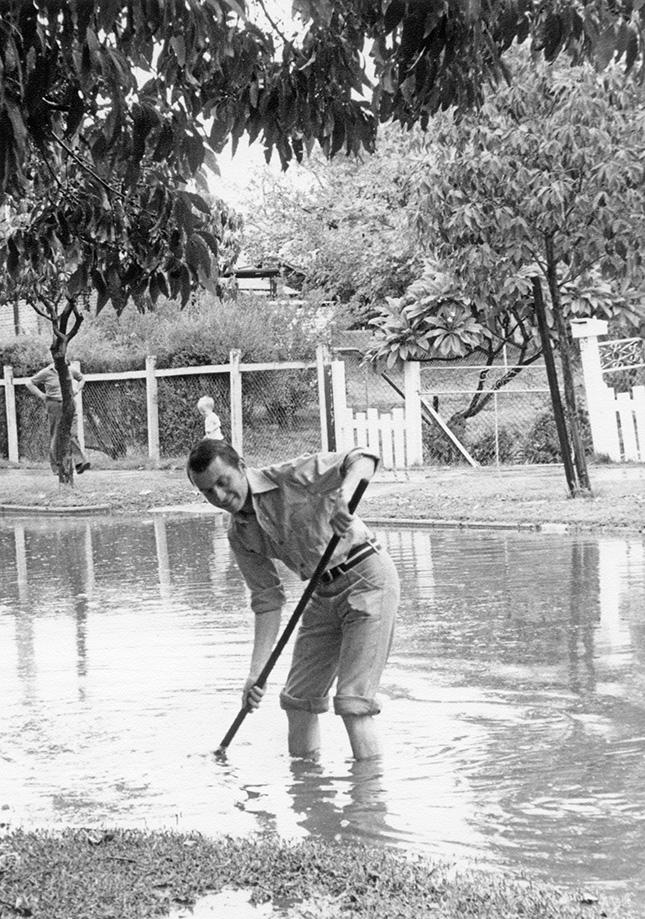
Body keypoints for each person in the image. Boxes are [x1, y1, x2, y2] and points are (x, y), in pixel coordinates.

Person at [187, 439, 399, 761]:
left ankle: (366, 805)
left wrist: (344, 495)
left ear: (241, 467)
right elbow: (267, 599)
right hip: (321, 592)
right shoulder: (240, 534)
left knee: (352, 704)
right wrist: (256, 673)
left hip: (367, 577)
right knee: (298, 700)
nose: (219, 496)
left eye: (222, 481)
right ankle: (307, 797)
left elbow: (364, 458)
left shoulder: (289, 476)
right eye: (207, 492)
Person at [26, 359, 90, 475]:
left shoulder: (69, 370)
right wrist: (41, 395)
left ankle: (79, 463)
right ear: (55, 363)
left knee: (72, 433)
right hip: (54, 404)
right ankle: (57, 467)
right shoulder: (46, 372)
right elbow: (30, 383)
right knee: (56, 434)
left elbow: (82, 378)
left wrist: (77, 389)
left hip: (69, 403)